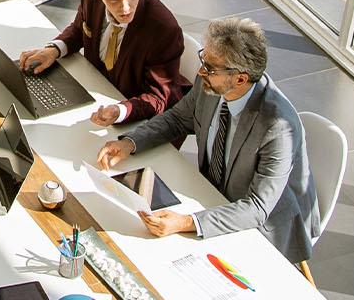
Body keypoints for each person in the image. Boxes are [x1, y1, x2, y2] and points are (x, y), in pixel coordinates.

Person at [95, 17, 318, 265]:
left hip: (263, 228)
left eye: (211, 68)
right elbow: (178, 119)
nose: (201, 72)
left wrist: (186, 222)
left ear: (240, 79)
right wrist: (130, 142)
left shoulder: (277, 127)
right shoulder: (211, 82)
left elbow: (257, 209)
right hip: (210, 196)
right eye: (204, 60)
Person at [17, 0, 191, 127]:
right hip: (92, 96)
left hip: (136, 116)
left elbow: (158, 98)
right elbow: (78, 30)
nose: (125, 8)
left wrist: (121, 110)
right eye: (114, 0)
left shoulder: (163, 29)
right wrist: (53, 50)